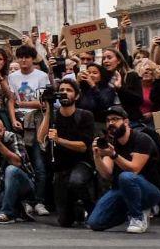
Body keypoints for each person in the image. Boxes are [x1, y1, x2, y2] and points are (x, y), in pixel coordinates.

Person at [87, 106, 160, 233]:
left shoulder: (142, 139)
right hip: (121, 189)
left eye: (115, 119)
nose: (111, 123)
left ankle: (138, 216)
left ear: (126, 122)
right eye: (108, 120)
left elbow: (134, 169)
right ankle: (131, 211)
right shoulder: (111, 143)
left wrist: (114, 155)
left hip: (149, 191)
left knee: (126, 176)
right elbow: (107, 174)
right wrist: (97, 155)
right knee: (95, 223)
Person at [36, 78, 95, 227]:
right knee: (65, 221)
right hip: (61, 169)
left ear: (76, 96)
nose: (64, 93)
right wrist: (49, 109)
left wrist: (59, 140)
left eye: (68, 90)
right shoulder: (54, 115)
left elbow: (83, 146)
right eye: (61, 90)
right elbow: (41, 138)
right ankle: (77, 209)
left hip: (81, 164)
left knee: (76, 181)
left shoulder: (85, 115)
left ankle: (91, 208)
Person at [6, 44, 50, 215]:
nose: (23, 60)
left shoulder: (42, 76)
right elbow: (10, 100)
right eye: (20, 57)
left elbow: (43, 103)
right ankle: (25, 200)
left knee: (39, 165)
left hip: (37, 123)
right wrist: (13, 119)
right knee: (22, 164)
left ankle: (39, 201)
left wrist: (21, 103)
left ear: (33, 59)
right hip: (20, 123)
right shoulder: (13, 77)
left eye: (27, 57)